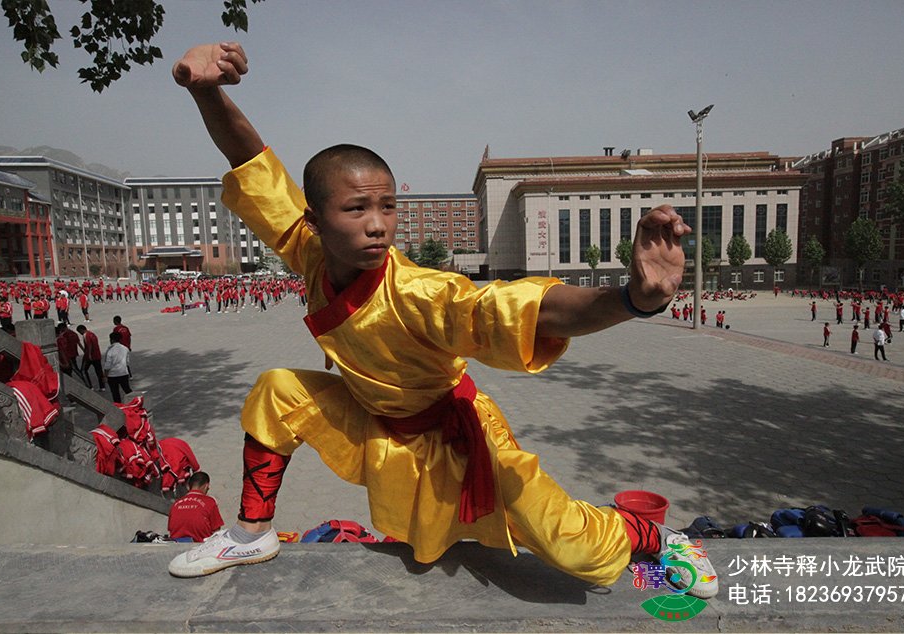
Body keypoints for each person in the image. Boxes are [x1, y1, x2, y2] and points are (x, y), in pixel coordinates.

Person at [165, 42, 718, 600]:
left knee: (579, 552)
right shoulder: (306, 250)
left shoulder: (419, 293)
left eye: (387, 207)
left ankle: (655, 535)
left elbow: (519, 308)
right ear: (315, 220)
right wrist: (205, 90)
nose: (378, 225)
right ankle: (251, 533)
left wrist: (631, 299)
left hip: (457, 435)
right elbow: (253, 165)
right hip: (375, 422)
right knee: (276, 391)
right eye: (357, 209)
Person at [168, 471, 225, 542]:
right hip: (201, 548)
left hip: (177, 546)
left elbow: (171, 529)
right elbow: (216, 531)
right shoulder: (210, 502)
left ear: (188, 486)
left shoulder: (175, 504)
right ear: (206, 486)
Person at [103, 331, 132, 402]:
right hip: (123, 373)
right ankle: (134, 402)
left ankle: (119, 407)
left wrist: (105, 376)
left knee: (115, 393)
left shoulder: (110, 350)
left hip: (113, 375)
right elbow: (127, 362)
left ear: (112, 340)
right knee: (127, 390)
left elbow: (107, 365)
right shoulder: (125, 348)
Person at [76, 325, 106, 391]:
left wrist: (89, 354)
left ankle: (90, 386)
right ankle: (102, 386)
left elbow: (89, 345)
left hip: (90, 356)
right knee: (99, 371)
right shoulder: (92, 334)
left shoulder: (86, 335)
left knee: (83, 370)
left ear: (81, 330)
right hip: (97, 355)